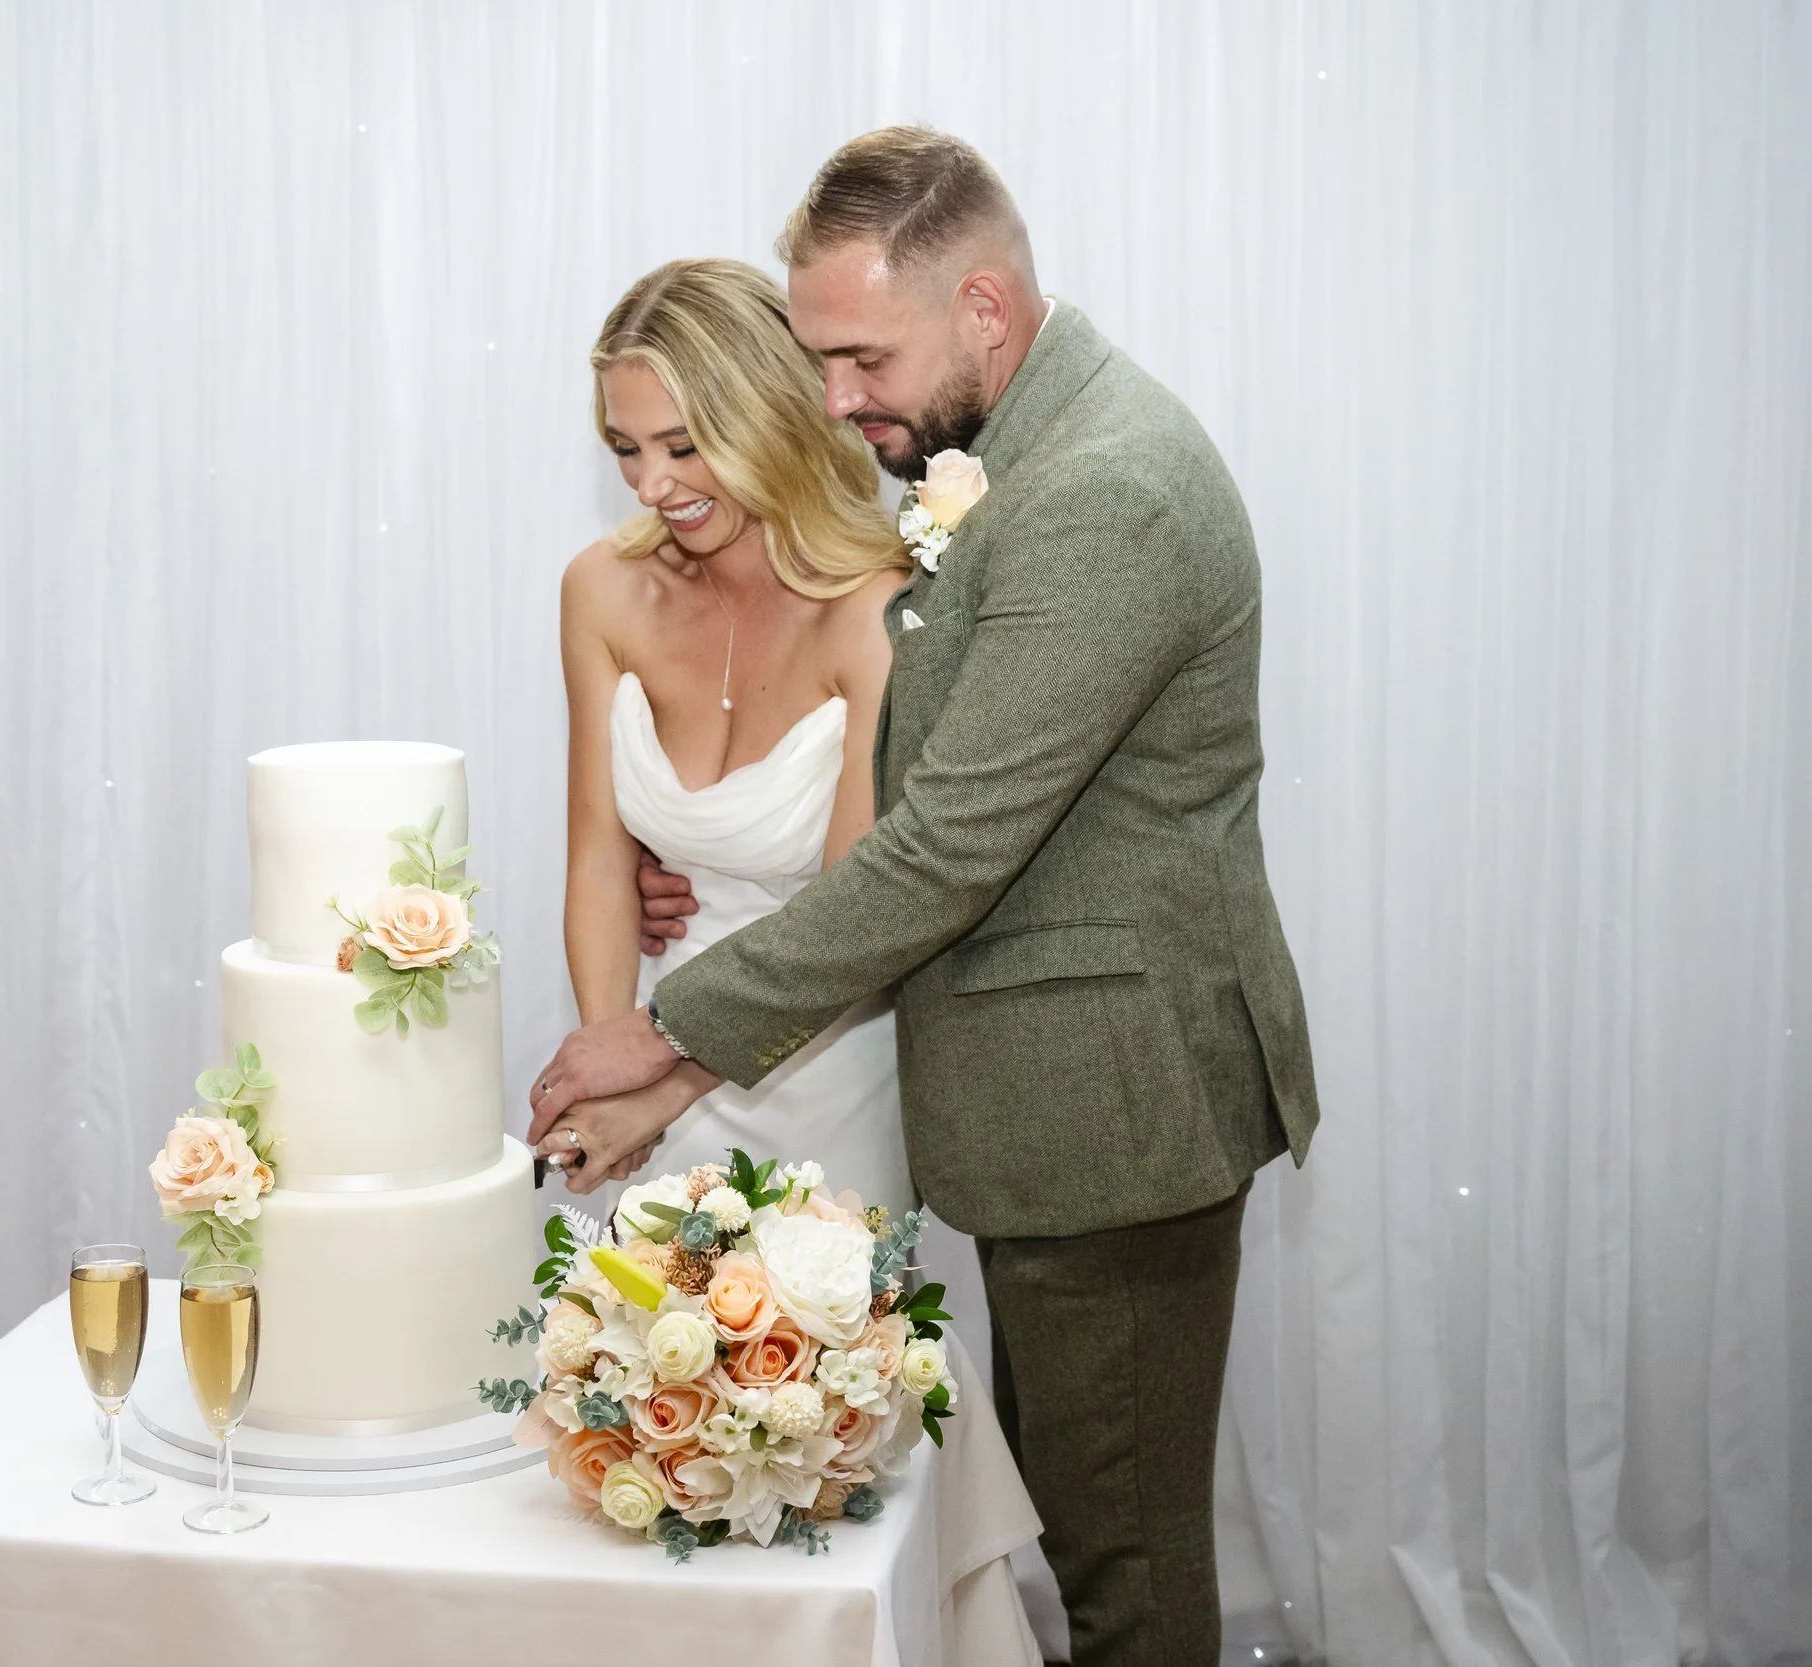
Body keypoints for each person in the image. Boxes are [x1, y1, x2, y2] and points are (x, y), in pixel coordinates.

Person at [529, 128, 1321, 1667]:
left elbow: (948, 843)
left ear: (984, 306)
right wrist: (670, 853)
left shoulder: (1106, 492)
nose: (836, 395)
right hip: (1042, 1106)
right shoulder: (1006, 458)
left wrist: (665, 1038)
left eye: (857, 355)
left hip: (1115, 1109)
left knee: (1127, 1578)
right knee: (1090, 1541)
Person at [555, 256, 913, 1207]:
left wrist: (661, 1082)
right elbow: (597, 857)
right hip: (652, 1048)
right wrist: (609, 1063)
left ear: (768, 418)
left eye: (681, 444)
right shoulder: (601, 591)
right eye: (625, 448)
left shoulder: (875, 613)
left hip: (825, 1064)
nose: (649, 485)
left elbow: (850, 922)